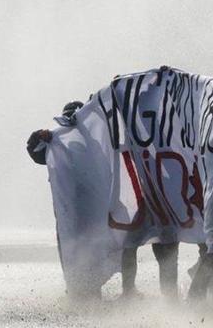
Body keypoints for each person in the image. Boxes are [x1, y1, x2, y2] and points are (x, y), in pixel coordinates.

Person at [26, 101, 187, 301]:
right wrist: (40, 139)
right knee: (79, 253)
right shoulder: (60, 145)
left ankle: (122, 291)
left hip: (97, 211)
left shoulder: (100, 142)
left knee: (113, 248)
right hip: (76, 213)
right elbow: (38, 153)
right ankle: (85, 292)